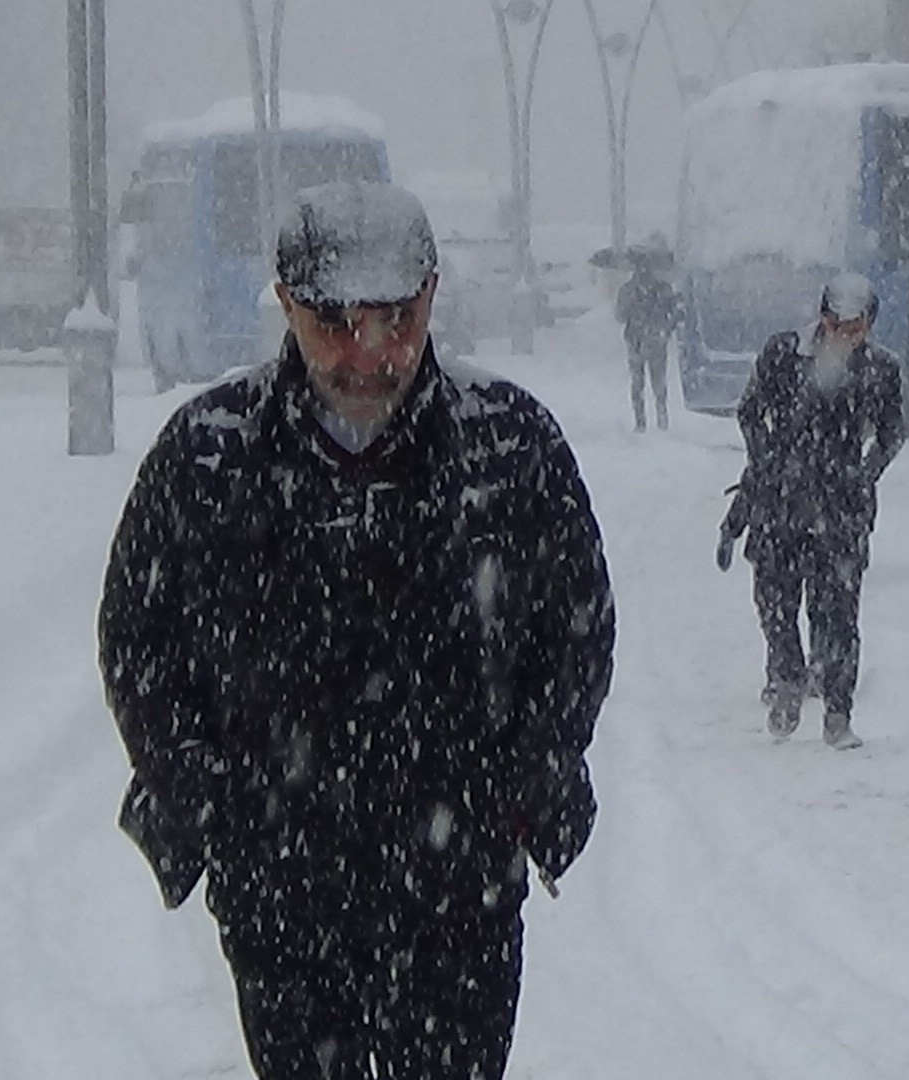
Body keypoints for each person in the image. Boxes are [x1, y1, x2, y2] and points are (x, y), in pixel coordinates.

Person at [99, 179, 616, 1080]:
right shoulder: (208, 456)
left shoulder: (509, 446)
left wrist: (531, 772)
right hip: (280, 891)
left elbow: (578, 630)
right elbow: (140, 640)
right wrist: (205, 794)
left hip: (460, 889)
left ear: (431, 297)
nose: (371, 352)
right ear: (287, 305)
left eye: (397, 319)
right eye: (336, 324)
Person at [720, 271, 904, 750]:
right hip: (780, 505)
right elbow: (749, 410)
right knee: (776, 606)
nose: (846, 335)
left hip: (840, 512)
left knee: (839, 613)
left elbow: (892, 433)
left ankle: (838, 714)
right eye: (837, 324)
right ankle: (786, 682)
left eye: (856, 327)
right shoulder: (782, 355)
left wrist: (863, 474)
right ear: (822, 318)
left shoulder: (880, 370)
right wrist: (767, 459)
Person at [613, 238, 681, 432]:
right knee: (638, 384)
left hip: (655, 342)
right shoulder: (628, 290)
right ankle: (641, 422)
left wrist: (666, 330)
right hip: (637, 342)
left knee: (658, 385)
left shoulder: (662, 289)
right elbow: (619, 315)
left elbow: (676, 312)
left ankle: (661, 421)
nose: (643, 271)